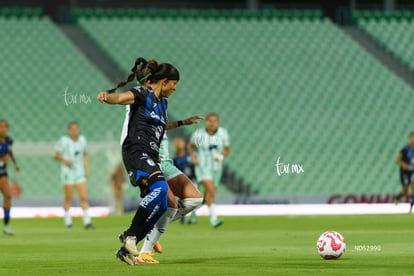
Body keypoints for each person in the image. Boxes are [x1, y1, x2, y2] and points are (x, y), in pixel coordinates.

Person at [97, 57, 182, 265]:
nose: (175, 88)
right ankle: (130, 235)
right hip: (136, 150)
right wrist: (107, 97)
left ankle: (125, 249)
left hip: (151, 155)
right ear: (163, 81)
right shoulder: (142, 93)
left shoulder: (163, 104)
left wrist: (182, 122)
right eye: (174, 84)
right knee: (161, 189)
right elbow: (121, 99)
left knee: (162, 204)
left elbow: (161, 127)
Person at [188, 113, 230, 228]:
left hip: (216, 168)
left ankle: (192, 212)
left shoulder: (223, 133)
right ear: (206, 122)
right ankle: (214, 220)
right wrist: (194, 158)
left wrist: (221, 156)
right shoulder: (199, 134)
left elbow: (227, 149)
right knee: (211, 189)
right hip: (203, 167)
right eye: (210, 121)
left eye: (215, 121)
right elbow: (191, 146)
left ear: (217, 122)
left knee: (208, 196)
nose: (212, 123)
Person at [54, 122, 94, 229]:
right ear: (69, 130)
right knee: (68, 198)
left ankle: (87, 222)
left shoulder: (82, 140)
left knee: (84, 197)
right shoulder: (64, 141)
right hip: (68, 173)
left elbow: (85, 154)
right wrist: (64, 160)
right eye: (72, 129)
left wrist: (87, 168)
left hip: (79, 172)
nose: (75, 131)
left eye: (76, 128)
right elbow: (56, 155)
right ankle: (68, 222)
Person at [0, 120, 20, 235]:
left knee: (8, 196)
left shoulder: (8, 141)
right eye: (0, 127)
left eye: (4, 127)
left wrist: (15, 163)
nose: (2, 129)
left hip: (3, 172)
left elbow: (9, 152)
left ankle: (6, 225)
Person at [172, 137, 198, 224]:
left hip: (192, 180)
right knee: (181, 200)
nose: (179, 145)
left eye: (180, 142)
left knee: (194, 199)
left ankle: (193, 217)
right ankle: (182, 217)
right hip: (181, 182)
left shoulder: (190, 155)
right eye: (177, 143)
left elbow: (197, 165)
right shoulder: (175, 158)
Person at [395, 132, 414, 212]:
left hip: (413, 171)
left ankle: (411, 207)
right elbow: (397, 159)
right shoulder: (405, 149)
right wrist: (403, 164)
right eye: (412, 138)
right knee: (405, 191)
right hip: (405, 172)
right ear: (409, 139)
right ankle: (397, 198)